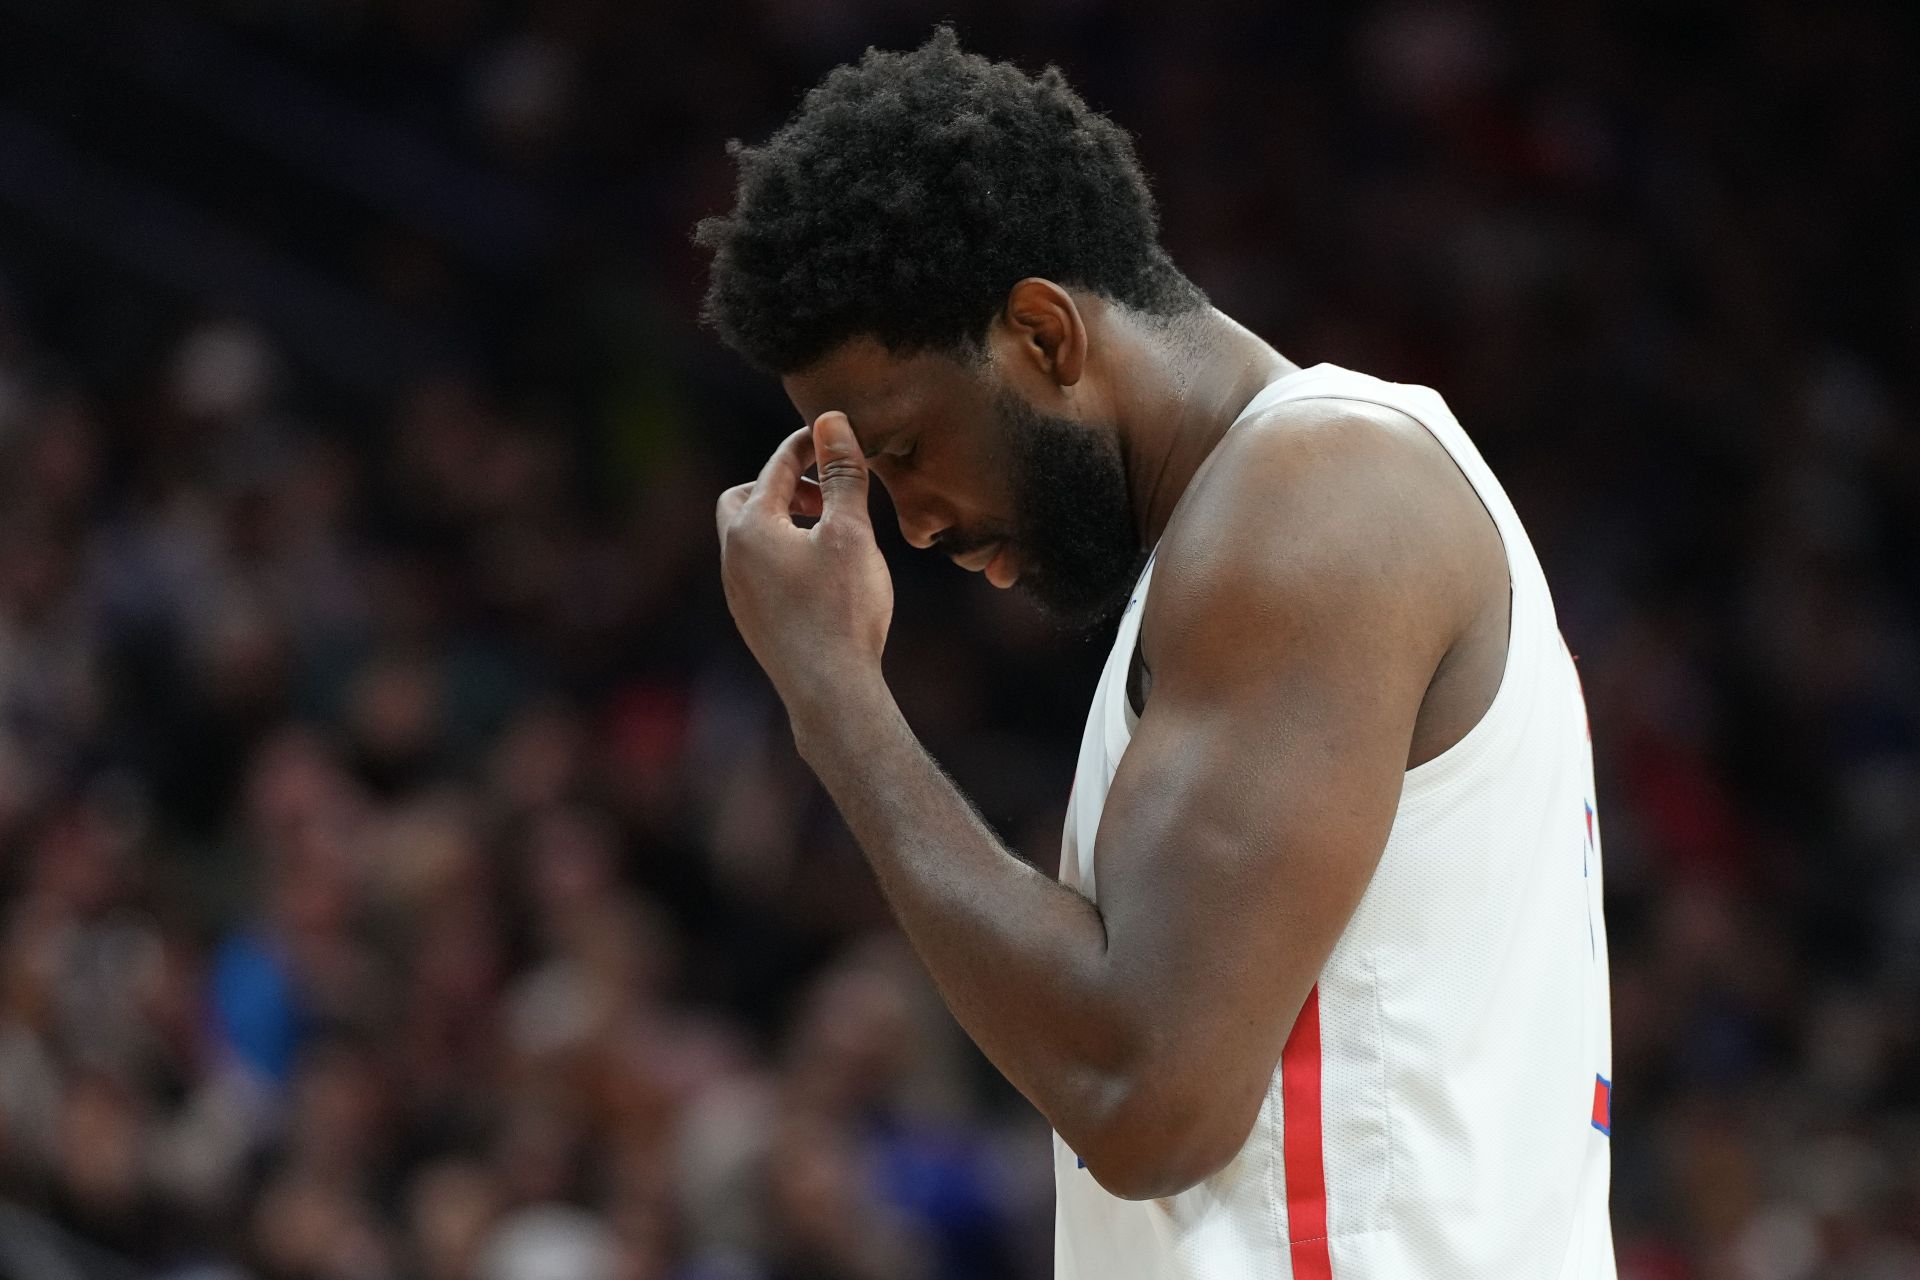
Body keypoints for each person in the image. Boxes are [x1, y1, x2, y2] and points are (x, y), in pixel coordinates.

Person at [700, 28, 1614, 1280]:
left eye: (905, 448)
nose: (909, 523)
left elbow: (1146, 1095)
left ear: (1043, 335)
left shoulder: (1319, 499)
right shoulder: (1259, 532)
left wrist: (832, 693)